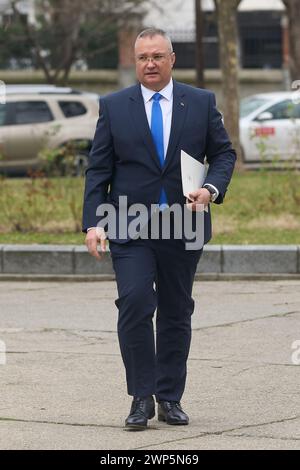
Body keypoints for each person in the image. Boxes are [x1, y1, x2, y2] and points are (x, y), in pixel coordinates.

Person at [82, 28, 236, 431]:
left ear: (171, 59)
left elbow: (223, 154)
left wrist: (210, 189)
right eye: (142, 58)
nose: (149, 64)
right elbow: (99, 170)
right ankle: (140, 397)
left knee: (175, 310)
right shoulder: (114, 106)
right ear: (136, 62)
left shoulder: (200, 102)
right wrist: (95, 223)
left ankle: (169, 398)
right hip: (129, 224)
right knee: (134, 303)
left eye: (157, 56)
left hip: (183, 224)